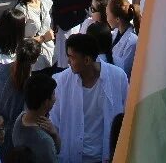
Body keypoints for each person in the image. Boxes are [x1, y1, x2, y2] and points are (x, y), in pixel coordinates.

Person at [49, 34, 128, 163]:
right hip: (71, 156)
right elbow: (54, 122)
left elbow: (125, 116)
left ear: (86, 60)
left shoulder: (118, 77)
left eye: (71, 57)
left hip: (104, 157)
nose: (68, 61)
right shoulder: (61, 81)